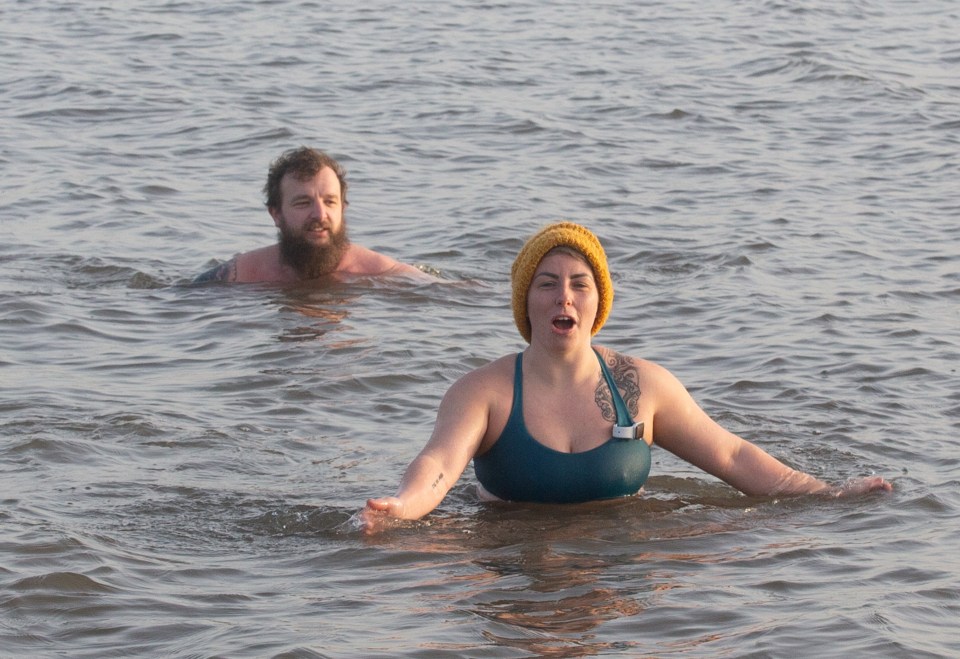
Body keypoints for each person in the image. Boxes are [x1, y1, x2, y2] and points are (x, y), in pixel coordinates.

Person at [360, 221, 891, 533]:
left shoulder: (645, 387)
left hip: (617, 558)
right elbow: (438, 465)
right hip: (510, 552)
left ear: (598, 300)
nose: (563, 296)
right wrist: (401, 509)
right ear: (525, 301)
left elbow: (731, 457)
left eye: (579, 284)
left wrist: (829, 494)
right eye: (546, 284)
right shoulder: (483, 392)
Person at [193, 147, 426, 283]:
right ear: (276, 214)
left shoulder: (382, 273)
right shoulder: (240, 275)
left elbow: (453, 294)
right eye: (303, 203)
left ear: (342, 209)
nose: (319, 214)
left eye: (329, 202)